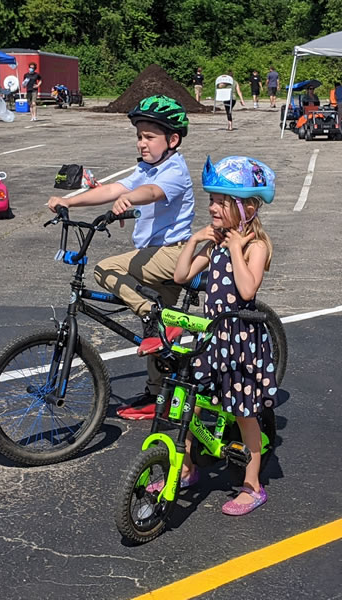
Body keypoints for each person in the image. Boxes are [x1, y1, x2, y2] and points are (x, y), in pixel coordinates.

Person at [47, 95, 195, 420]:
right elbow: (113, 189)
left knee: (105, 269)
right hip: (154, 259)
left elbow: (152, 192)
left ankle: (149, 314)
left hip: (173, 254)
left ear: (172, 139)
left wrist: (130, 199)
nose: (142, 143)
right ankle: (156, 396)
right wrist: (69, 202)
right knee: (160, 342)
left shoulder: (174, 170)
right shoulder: (146, 168)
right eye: (139, 136)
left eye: (149, 137)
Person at [171, 155, 278, 515]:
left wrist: (235, 248)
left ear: (246, 208)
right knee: (193, 401)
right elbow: (181, 276)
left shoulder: (254, 246)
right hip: (214, 339)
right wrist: (196, 238)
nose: (213, 208)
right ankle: (185, 470)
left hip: (241, 344)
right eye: (212, 201)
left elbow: (247, 291)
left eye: (221, 202)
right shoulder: (214, 242)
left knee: (245, 413)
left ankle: (252, 485)